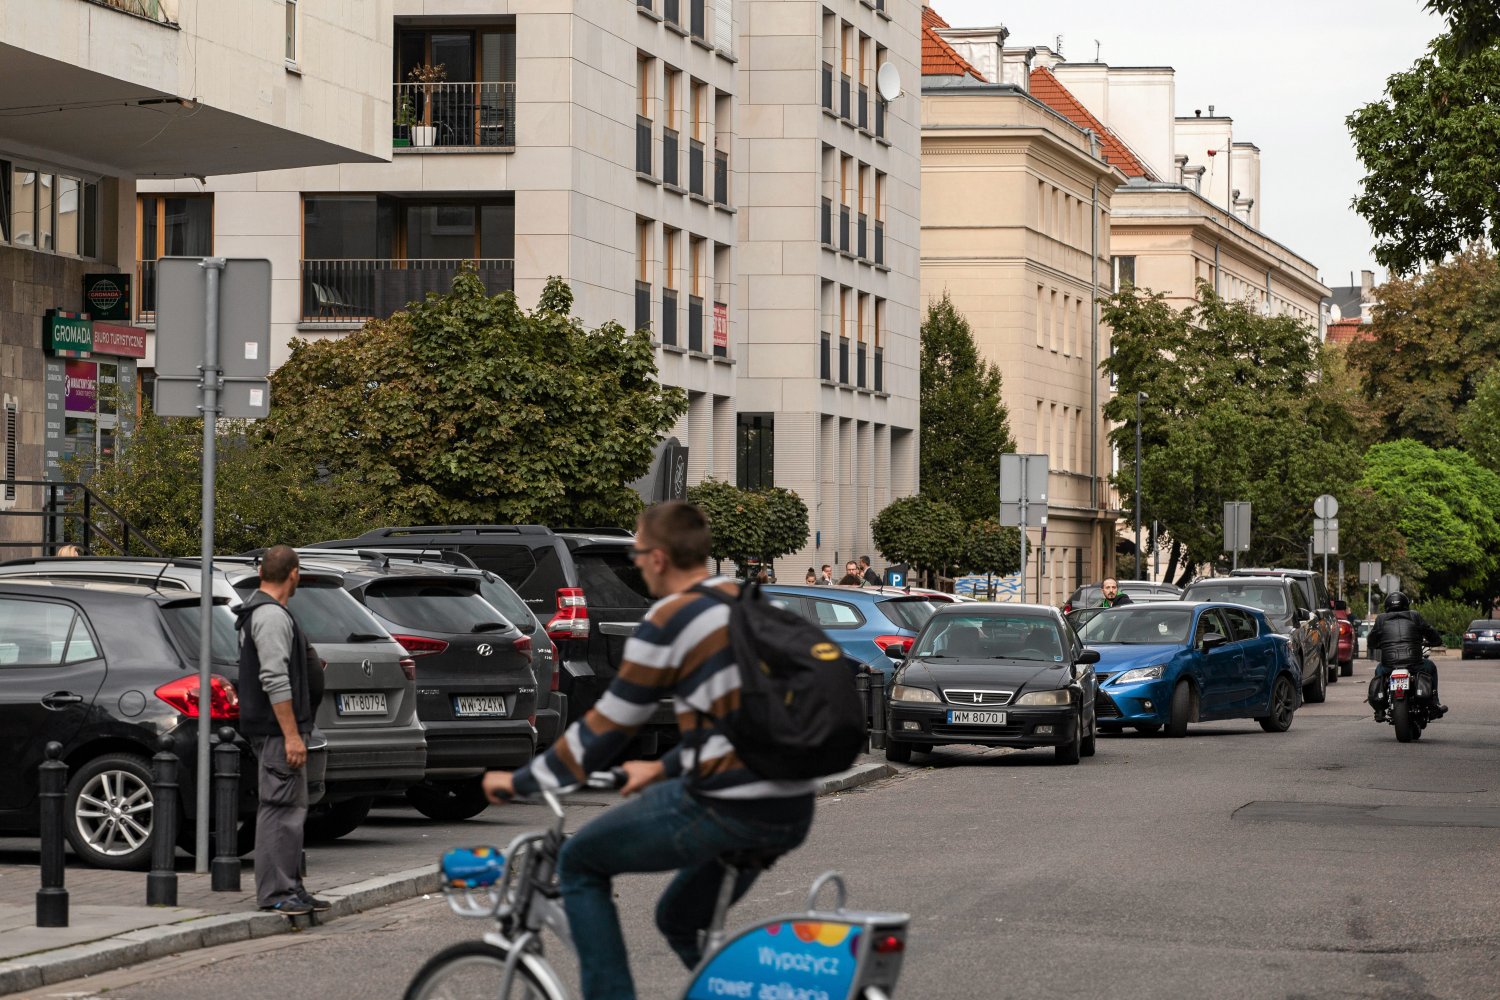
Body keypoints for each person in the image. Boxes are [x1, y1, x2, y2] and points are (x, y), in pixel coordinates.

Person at [481, 502, 816, 1000]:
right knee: (679, 921)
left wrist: (519, 781)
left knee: (579, 863)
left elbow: (606, 727)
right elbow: (746, 721)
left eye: (638, 553)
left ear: (658, 558)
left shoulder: (670, 616)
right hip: (792, 803)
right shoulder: (752, 602)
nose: (635, 564)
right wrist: (663, 768)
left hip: (726, 802)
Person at [234, 545, 329, 916]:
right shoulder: (270, 616)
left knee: (291, 807)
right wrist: (291, 734)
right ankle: (277, 892)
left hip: (281, 729)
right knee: (280, 809)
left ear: (261, 573)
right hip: (278, 731)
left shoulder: (265, 610)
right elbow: (274, 678)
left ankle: (290, 886)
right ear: (294, 575)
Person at [1367, 591, 1446, 720]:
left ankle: (1380, 709)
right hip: (1415, 664)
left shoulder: (1381, 619)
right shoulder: (1414, 616)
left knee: (1379, 670)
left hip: (1389, 666)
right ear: (1405, 604)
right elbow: (1429, 631)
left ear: (1387, 606)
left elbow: (1371, 639)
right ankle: (1434, 703)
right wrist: (1436, 641)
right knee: (1431, 667)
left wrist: (1377, 644)